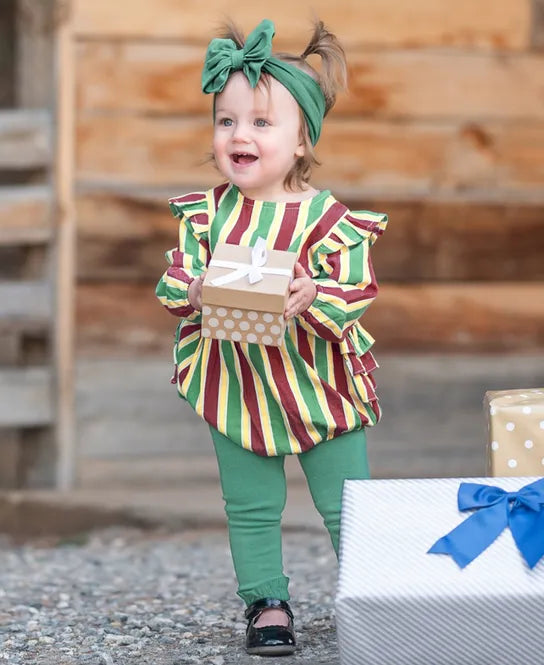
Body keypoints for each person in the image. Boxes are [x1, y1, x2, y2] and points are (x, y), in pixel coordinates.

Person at [156, 18, 387, 657]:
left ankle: (369, 592)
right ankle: (267, 601)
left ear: (303, 140)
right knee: (251, 503)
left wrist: (315, 294)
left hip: (318, 386)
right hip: (235, 383)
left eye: (261, 123)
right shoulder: (206, 215)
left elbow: (358, 289)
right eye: (226, 121)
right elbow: (173, 282)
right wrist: (196, 291)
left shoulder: (328, 220)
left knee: (347, 505)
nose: (240, 135)